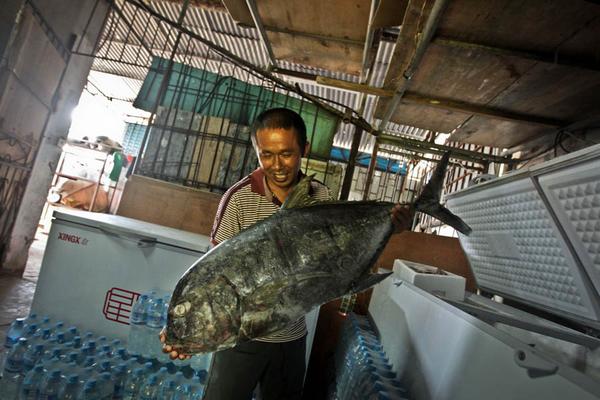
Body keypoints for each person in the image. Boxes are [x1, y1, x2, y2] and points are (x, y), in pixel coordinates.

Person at [161, 107, 412, 400]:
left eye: (287, 153)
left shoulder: (320, 196)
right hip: (240, 343)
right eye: (266, 154)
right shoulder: (239, 199)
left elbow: (334, 265)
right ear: (256, 150)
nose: (277, 165)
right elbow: (212, 279)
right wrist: (185, 333)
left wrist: (391, 226)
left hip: (291, 339)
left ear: (304, 149)